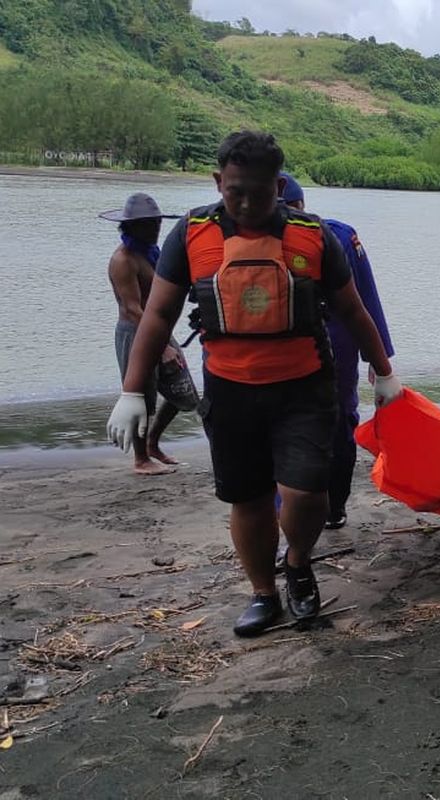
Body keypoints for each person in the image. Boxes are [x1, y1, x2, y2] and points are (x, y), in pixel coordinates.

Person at [106, 131, 403, 637]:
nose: (246, 204)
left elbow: (353, 309)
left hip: (304, 387)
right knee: (248, 498)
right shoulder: (191, 233)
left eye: (259, 193)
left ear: (279, 187)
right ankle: (264, 592)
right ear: (218, 181)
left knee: (306, 493)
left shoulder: (313, 235)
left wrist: (385, 372)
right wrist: (133, 390)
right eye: (235, 192)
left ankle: (299, 561)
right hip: (230, 390)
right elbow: (157, 314)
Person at [279, 173, 394, 530]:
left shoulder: (336, 236)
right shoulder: (254, 238)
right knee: (288, 427)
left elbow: (364, 299)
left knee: (339, 424)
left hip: (335, 343)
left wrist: (379, 359)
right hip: (290, 346)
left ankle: (334, 505)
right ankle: (292, 510)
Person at [102, 193, 200, 475]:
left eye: (157, 223)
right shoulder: (123, 260)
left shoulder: (152, 254)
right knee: (141, 397)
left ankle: (153, 442)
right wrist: (162, 347)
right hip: (135, 332)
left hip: (159, 328)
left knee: (185, 394)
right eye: (148, 224)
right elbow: (132, 308)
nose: (155, 228)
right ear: (131, 226)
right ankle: (141, 459)